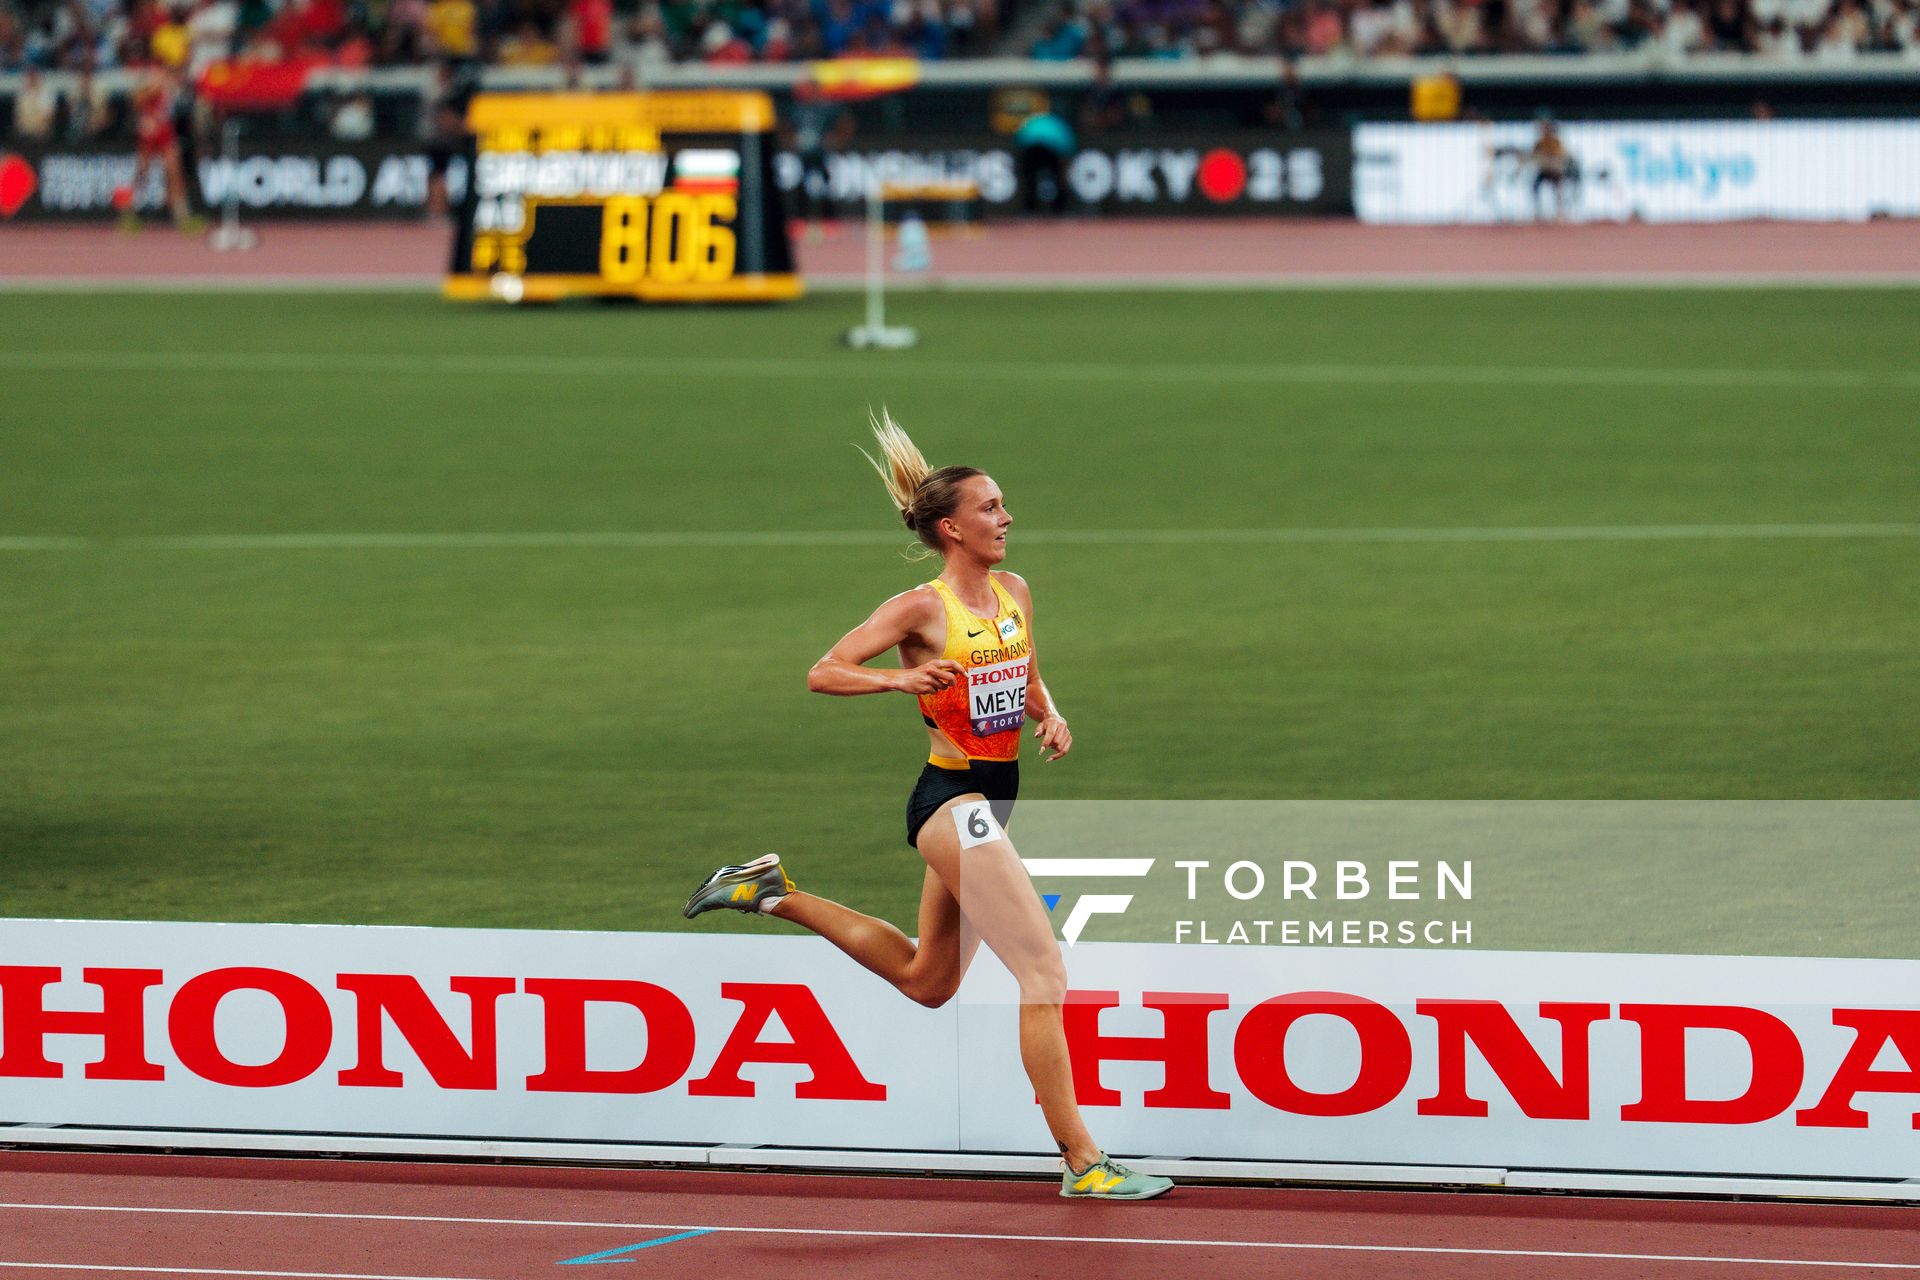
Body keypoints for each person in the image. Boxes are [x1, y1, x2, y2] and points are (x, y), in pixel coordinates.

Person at [683, 414, 1172, 1203]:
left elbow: (1024, 665)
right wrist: (894, 681)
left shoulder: (1014, 591)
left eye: (1004, 505)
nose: (1006, 518)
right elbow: (824, 670)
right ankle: (1083, 1162)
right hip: (953, 801)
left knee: (927, 980)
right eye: (990, 508)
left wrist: (1049, 710)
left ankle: (769, 891)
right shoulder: (919, 607)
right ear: (952, 528)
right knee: (1043, 969)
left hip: (997, 795)